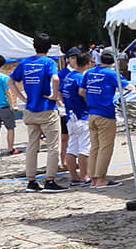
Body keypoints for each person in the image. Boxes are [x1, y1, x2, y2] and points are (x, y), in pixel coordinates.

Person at [14, 34, 63, 193]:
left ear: (34, 46)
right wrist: (54, 95)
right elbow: (55, 79)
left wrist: (22, 98)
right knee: (53, 146)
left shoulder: (25, 62)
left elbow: (10, 81)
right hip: (47, 109)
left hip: (30, 110)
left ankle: (31, 181)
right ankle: (50, 181)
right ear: (49, 47)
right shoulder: (49, 62)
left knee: (32, 146)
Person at [85, 50, 122, 186]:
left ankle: (93, 179)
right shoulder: (111, 73)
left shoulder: (89, 73)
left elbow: (82, 91)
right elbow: (128, 87)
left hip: (91, 113)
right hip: (105, 114)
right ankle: (100, 179)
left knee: (94, 147)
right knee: (105, 147)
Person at [61, 51, 91, 188]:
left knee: (72, 149)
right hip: (82, 117)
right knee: (84, 149)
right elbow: (82, 93)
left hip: (70, 117)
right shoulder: (80, 78)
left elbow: (61, 93)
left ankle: (74, 178)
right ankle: (85, 177)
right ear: (88, 64)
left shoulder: (68, 76)